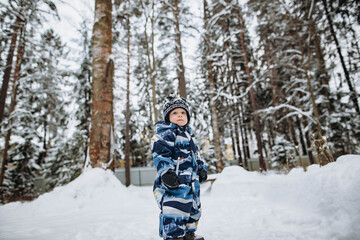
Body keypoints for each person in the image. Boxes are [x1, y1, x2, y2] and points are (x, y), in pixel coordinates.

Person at [151, 94, 208, 240]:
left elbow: (196, 156)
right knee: (174, 211)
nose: (180, 116)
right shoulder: (165, 134)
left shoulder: (189, 136)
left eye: (183, 112)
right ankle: (174, 237)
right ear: (167, 117)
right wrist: (166, 172)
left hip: (191, 185)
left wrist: (202, 169)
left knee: (193, 210)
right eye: (175, 113)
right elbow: (160, 154)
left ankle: (189, 234)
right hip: (174, 184)